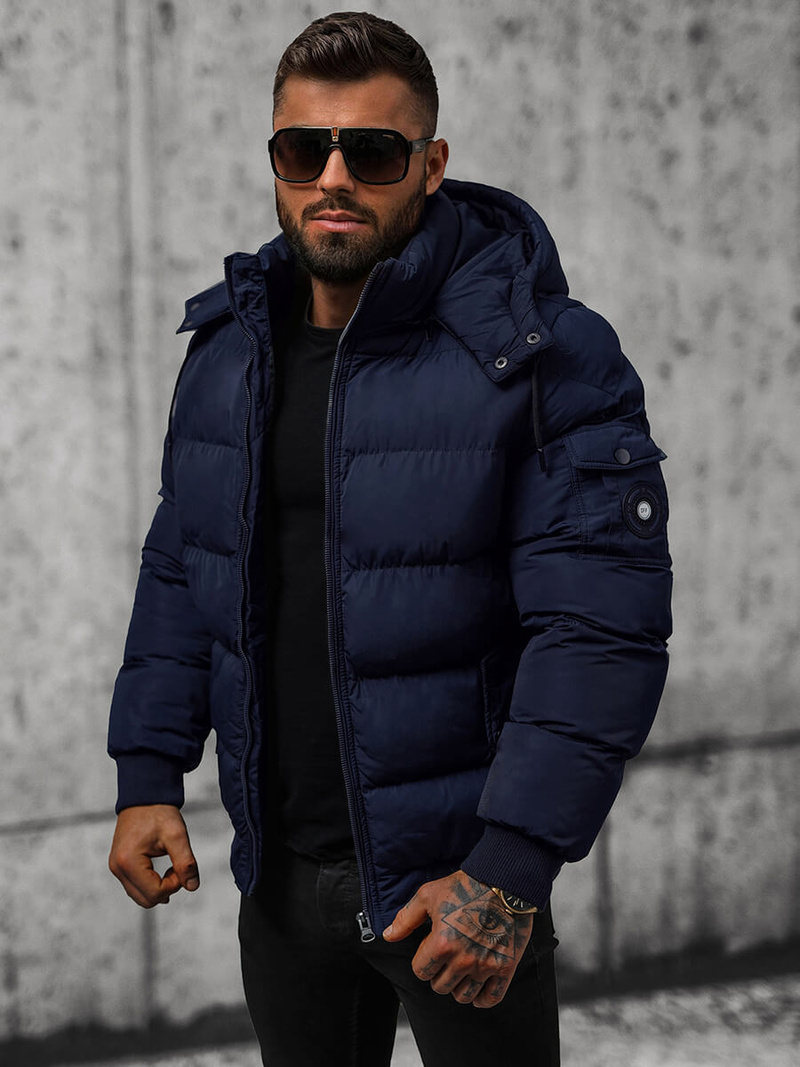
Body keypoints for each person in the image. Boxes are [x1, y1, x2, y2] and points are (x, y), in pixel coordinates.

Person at [108, 11, 672, 1066]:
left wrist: (506, 874)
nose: (332, 178)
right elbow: (182, 566)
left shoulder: (542, 357)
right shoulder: (231, 351)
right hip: (281, 885)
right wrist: (147, 772)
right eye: (302, 148)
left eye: (370, 151)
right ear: (275, 159)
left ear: (429, 164)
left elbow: (598, 631)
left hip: (456, 889)